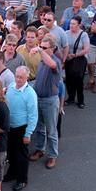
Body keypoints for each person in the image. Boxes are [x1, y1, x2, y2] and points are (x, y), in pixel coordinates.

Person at [28, 35, 62, 169]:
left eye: (44, 47)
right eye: (40, 46)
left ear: (52, 49)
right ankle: (40, 149)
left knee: (51, 130)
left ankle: (52, 155)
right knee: (40, 127)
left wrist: (39, 51)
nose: (41, 49)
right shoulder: (43, 61)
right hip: (39, 99)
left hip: (49, 101)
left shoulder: (55, 61)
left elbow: (52, 65)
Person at [4, 66, 38, 191]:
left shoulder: (30, 94)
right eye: (17, 76)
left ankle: (22, 180)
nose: (18, 79)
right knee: (11, 153)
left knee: (21, 156)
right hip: (10, 127)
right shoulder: (11, 86)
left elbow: (33, 115)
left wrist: (28, 134)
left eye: (21, 77)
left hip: (21, 128)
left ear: (27, 78)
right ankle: (12, 173)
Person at [64, 16, 90, 109]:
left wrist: (75, 55)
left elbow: (86, 49)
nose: (71, 25)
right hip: (68, 59)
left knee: (78, 79)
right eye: (70, 23)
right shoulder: (66, 33)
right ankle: (70, 97)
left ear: (79, 25)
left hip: (80, 59)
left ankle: (80, 100)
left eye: (74, 24)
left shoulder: (84, 35)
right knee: (69, 79)